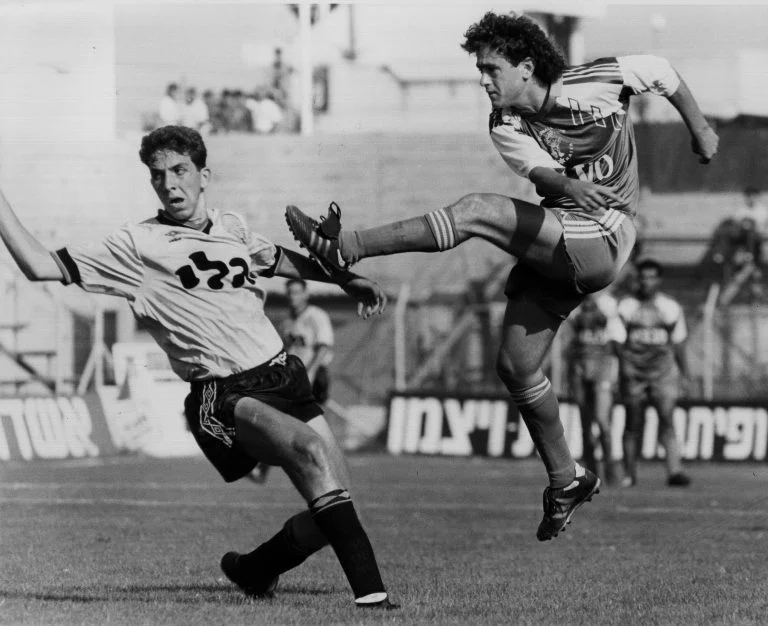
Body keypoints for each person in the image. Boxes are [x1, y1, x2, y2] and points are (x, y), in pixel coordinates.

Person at [285, 11, 718, 541]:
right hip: (563, 237)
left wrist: (699, 128)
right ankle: (567, 478)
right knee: (516, 366)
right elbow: (539, 173)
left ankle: (344, 249)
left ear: (527, 66)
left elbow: (664, 72)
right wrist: (567, 184)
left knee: (475, 210)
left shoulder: (600, 80)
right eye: (480, 70)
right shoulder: (506, 124)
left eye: (491, 69)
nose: (483, 81)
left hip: (605, 236)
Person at [0, 125, 395, 609]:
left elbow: (280, 262)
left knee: (334, 506)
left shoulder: (231, 227)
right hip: (224, 394)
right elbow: (40, 265)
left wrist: (348, 280)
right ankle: (374, 602)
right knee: (311, 450)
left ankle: (254, 569)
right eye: (158, 175)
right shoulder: (137, 244)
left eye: (180, 171)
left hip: (284, 374)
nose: (170, 184)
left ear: (204, 175)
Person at [250, 277, 334, 484]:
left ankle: (325, 468)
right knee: (280, 422)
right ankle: (264, 467)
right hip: (293, 379)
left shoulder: (316, 316)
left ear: (306, 294)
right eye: (290, 292)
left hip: (314, 376)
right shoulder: (288, 322)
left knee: (309, 424)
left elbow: (323, 347)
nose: (293, 297)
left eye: (297, 292)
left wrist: (312, 373)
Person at [616, 258, 691, 488]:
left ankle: (675, 471)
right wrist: (624, 367)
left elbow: (678, 344)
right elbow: (617, 342)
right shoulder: (626, 307)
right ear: (636, 279)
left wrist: (686, 375)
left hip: (663, 373)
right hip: (634, 373)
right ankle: (630, 474)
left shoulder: (670, 308)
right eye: (642, 277)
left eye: (651, 277)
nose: (646, 282)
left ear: (659, 280)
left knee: (667, 419)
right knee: (632, 422)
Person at [566, 290, 624, 485]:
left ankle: (611, 468)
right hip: (580, 369)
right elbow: (571, 340)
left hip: (603, 368)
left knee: (602, 420)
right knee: (585, 423)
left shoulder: (609, 305)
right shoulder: (573, 303)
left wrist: (619, 373)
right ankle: (591, 471)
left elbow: (617, 341)